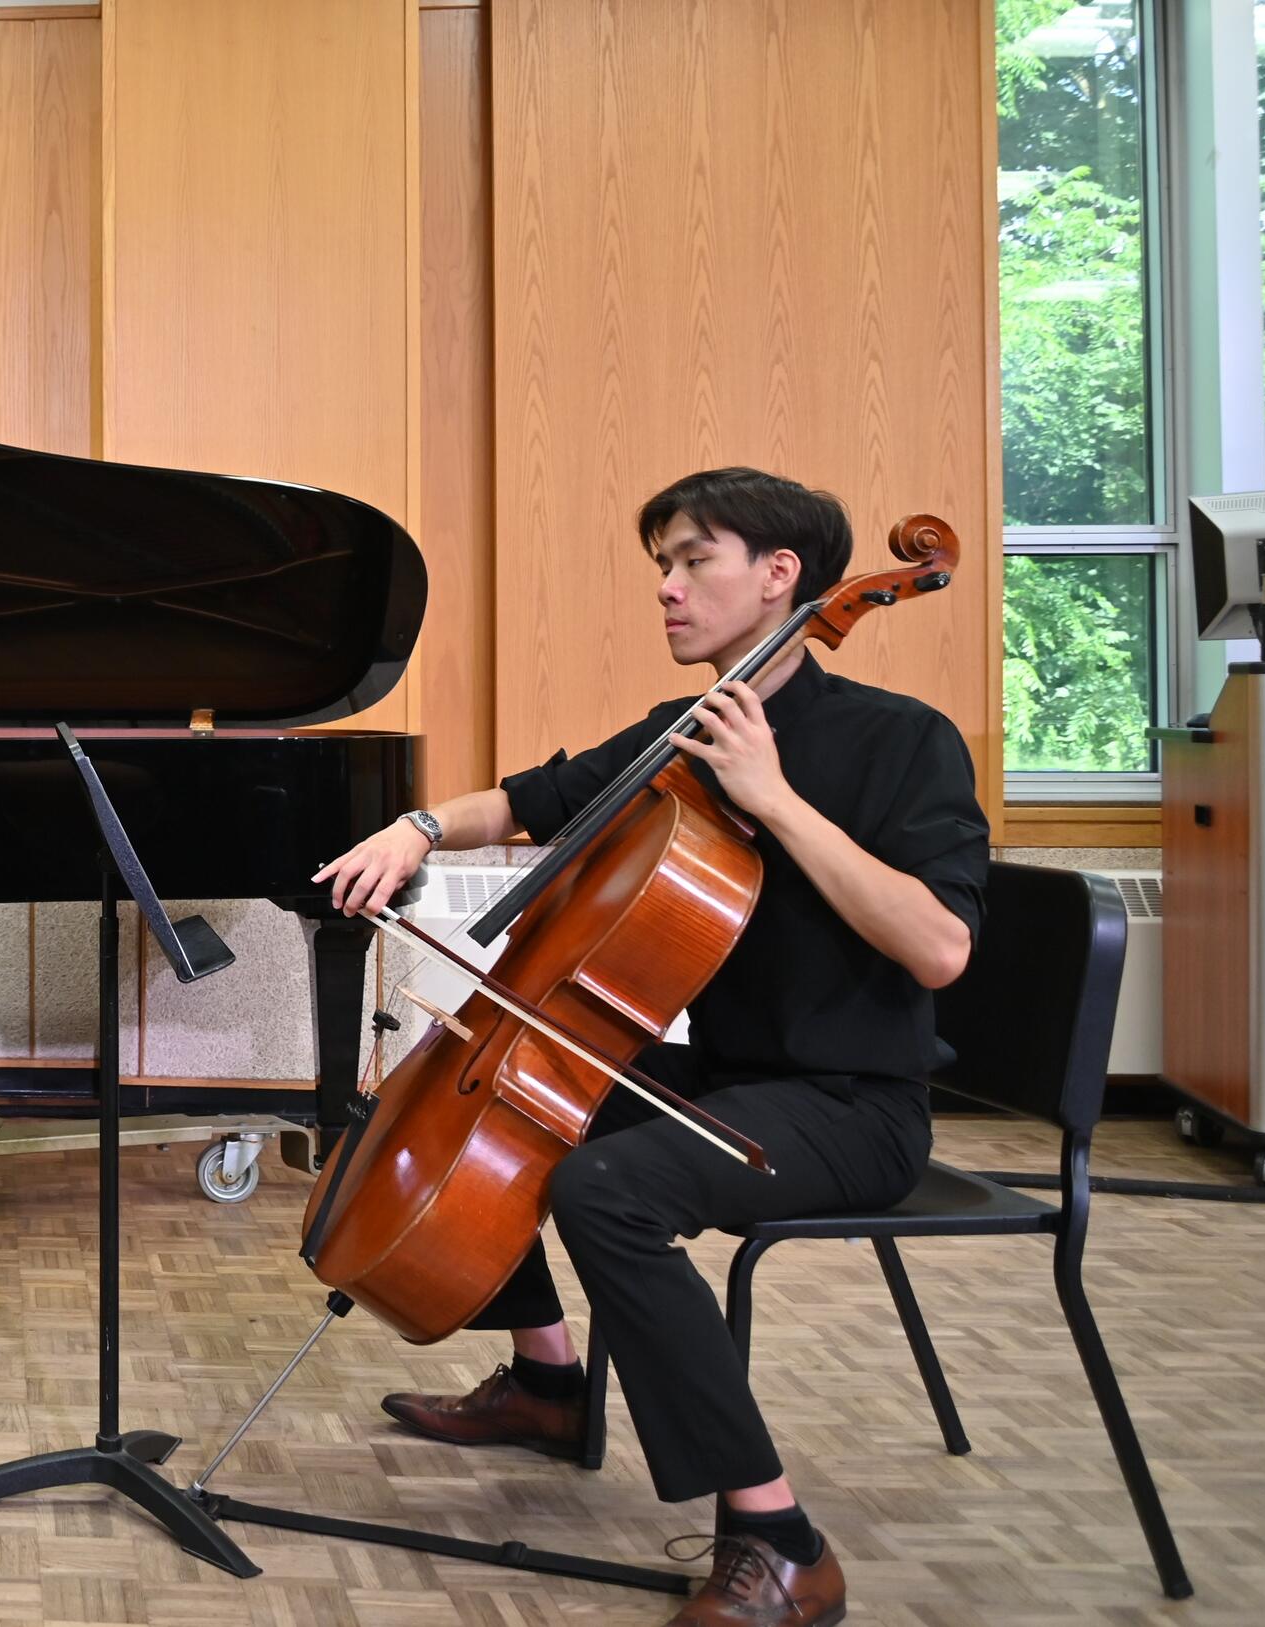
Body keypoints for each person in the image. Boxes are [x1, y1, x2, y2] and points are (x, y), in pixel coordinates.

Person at [310, 468, 990, 1627]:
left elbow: (940, 948)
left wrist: (773, 799)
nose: (666, 591)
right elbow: (536, 797)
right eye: (661, 567)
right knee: (507, 1086)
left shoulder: (900, 742)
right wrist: (414, 825)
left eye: (692, 562)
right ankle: (547, 1384)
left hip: (853, 1104)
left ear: (782, 577)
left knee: (608, 1187)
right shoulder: (688, 729)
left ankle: (780, 1540)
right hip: (729, 1082)